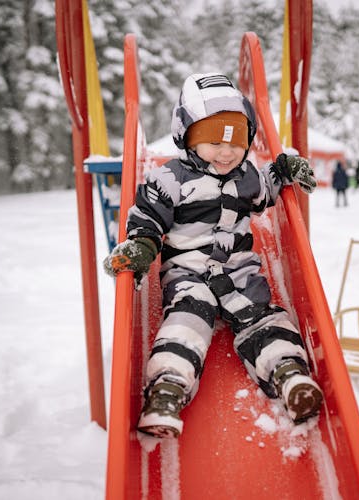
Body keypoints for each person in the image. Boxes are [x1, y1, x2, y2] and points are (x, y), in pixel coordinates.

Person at [103, 73, 323, 438]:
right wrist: (142, 247)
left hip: (238, 272)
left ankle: (289, 374)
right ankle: (168, 388)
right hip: (188, 273)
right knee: (187, 320)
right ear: (186, 136)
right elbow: (147, 218)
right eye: (213, 140)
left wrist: (283, 169)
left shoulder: (247, 176)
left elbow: (266, 192)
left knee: (263, 318)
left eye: (236, 140)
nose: (227, 151)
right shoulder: (169, 180)